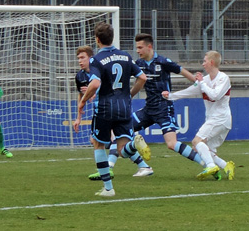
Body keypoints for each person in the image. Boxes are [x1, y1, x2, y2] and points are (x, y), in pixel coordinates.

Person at [73, 22, 150, 197]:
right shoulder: (125, 56)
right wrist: (129, 94)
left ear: (97, 40)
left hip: (105, 108)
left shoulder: (96, 60)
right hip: (124, 107)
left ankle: (108, 188)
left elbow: (95, 83)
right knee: (123, 150)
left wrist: (82, 101)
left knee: (97, 143)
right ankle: (134, 144)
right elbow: (142, 78)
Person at [123, 33, 206, 175]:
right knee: (123, 130)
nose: (137, 51)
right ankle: (144, 167)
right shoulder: (139, 64)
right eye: (136, 48)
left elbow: (181, 71)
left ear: (149, 47)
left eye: (140, 47)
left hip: (164, 109)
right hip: (148, 109)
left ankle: (205, 163)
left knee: (171, 144)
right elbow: (133, 80)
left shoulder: (162, 62)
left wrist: (196, 82)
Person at [163, 50, 235, 180]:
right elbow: (189, 91)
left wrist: (202, 83)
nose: (203, 64)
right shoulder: (205, 80)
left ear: (211, 62)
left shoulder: (223, 78)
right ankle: (226, 166)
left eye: (205, 61)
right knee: (205, 150)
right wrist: (171, 96)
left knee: (196, 142)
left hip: (220, 119)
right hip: (215, 120)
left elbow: (215, 95)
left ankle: (211, 166)